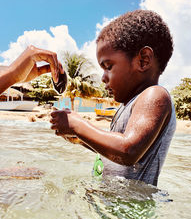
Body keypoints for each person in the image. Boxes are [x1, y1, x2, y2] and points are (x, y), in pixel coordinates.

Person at [50, 10, 176, 186]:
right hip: (112, 202)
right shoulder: (127, 106)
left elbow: (128, 151)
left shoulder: (154, 95)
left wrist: (77, 125)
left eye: (108, 66)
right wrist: (81, 139)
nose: (103, 77)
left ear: (143, 61)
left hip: (129, 209)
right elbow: (114, 152)